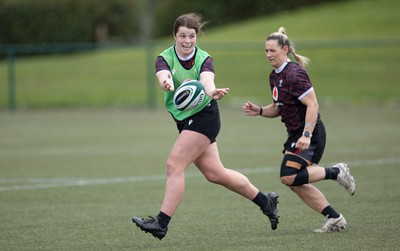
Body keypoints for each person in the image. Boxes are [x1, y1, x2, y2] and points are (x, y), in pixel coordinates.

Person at [132, 13, 279, 240]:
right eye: (182, 36)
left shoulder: (204, 58)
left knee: (174, 165)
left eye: (191, 36)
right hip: (184, 121)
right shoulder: (165, 57)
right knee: (215, 173)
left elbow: (207, 79)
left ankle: (161, 223)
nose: (187, 41)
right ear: (175, 35)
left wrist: (211, 91)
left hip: (205, 116)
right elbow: (162, 75)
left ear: (197, 36)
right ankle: (265, 200)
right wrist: (166, 82)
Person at [243, 27, 356, 233]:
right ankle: (334, 218)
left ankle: (337, 172)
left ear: (285, 50)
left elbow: (313, 105)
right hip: (295, 134)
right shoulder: (274, 76)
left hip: (310, 134)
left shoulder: (294, 73)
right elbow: (278, 108)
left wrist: (306, 134)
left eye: (272, 51)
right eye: (266, 51)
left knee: (287, 175)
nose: (268, 55)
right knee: (294, 182)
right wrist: (259, 110)